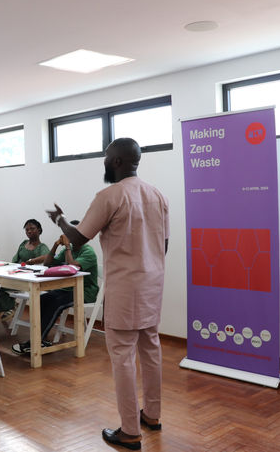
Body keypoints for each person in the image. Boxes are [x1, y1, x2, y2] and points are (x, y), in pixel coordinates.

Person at [47, 138, 169, 451]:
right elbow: (164, 246)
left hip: (125, 289)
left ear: (116, 161)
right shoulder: (157, 195)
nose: (104, 162)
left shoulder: (109, 196)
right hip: (153, 285)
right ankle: (152, 415)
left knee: (123, 358)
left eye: (105, 157)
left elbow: (78, 238)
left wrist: (59, 220)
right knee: (151, 350)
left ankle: (130, 431)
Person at [11, 220, 98, 355]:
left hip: (84, 291)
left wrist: (67, 246)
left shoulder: (88, 252)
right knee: (42, 299)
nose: (69, 236)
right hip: (67, 288)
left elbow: (72, 267)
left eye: (72, 234)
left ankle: (34, 343)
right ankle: (41, 339)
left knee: (56, 303)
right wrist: (55, 245)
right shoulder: (68, 250)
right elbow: (47, 263)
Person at [0, 219, 51, 315]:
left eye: (32, 229)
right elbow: (15, 259)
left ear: (39, 230)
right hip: (15, 273)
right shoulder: (24, 243)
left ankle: (9, 307)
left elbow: (46, 256)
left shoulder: (42, 247)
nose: (29, 231)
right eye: (27, 229)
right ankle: (6, 308)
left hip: (26, 279)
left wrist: (31, 261)